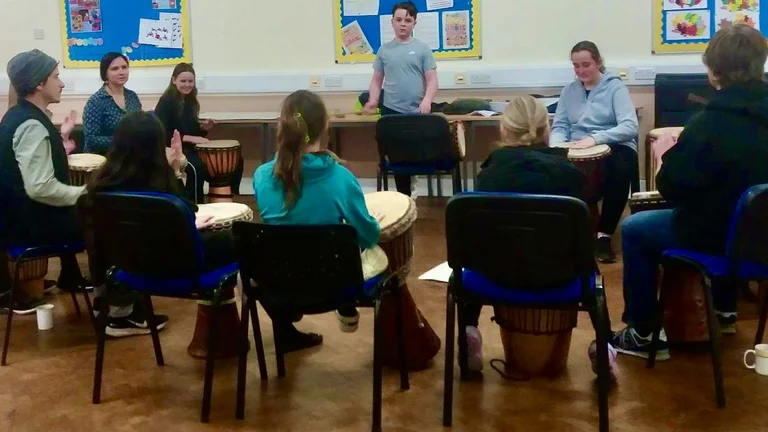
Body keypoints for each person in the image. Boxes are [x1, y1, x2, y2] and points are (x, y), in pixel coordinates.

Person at [612, 25, 768, 360]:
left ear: (714, 72)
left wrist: (675, 151)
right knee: (733, 212)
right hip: (762, 243)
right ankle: (725, 311)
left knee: (635, 228)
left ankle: (642, 331)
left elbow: (671, 186)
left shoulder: (709, 123)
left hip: (717, 239)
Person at [462, 96, 589, 371]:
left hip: (497, 275)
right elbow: (585, 241)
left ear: (504, 131)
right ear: (547, 130)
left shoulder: (488, 176)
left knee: (473, 258)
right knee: (592, 277)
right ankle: (604, 345)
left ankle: (469, 328)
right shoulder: (572, 175)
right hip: (560, 276)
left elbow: (478, 238)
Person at [84, 111, 235, 336]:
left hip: (127, 269)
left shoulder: (98, 189)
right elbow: (187, 209)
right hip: (177, 269)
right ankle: (226, 333)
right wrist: (175, 169)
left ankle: (115, 308)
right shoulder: (159, 184)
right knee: (235, 238)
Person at [254, 90, 380, 353]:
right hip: (333, 287)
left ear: (283, 125)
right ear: (325, 126)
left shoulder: (260, 176)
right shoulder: (341, 178)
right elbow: (368, 238)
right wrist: (374, 224)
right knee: (382, 257)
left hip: (277, 284)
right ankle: (394, 347)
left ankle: (286, 329)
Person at [0, 50, 88, 313]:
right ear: (39, 83)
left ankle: (76, 280)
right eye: (56, 77)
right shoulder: (31, 124)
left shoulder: (17, 116)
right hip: (32, 224)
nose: (61, 83)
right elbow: (40, 187)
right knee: (108, 218)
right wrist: (85, 193)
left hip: (23, 218)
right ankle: (119, 309)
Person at [550, 41, 639, 263]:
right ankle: (569, 230)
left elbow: (630, 126)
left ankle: (604, 235)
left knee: (621, 166)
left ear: (598, 62)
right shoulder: (569, 91)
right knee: (550, 163)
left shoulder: (615, 87)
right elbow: (560, 126)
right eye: (576, 66)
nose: (580, 70)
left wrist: (595, 139)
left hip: (614, 144)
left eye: (586, 64)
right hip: (577, 144)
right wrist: (558, 145)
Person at [362, 1, 438, 197]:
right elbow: (377, 80)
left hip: (417, 112)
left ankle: (415, 185)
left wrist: (427, 101)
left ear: (414, 23)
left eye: (408, 20)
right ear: (392, 22)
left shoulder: (422, 49)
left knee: (414, 155)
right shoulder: (384, 51)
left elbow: (432, 80)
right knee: (397, 158)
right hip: (391, 111)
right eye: (399, 20)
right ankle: (403, 196)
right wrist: (373, 99)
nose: (403, 24)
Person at [154, 63, 243, 203]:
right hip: (171, 147)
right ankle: (195, 205)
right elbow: (163, 133)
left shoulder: (190, 101)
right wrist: (191, 138)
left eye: (190, 81)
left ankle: (229, 196)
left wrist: (203, 128)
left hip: (188, 146)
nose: (187, 85)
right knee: (196, 169)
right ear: (174, 80)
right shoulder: (167, 102)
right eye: (183, 81)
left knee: (238, 159)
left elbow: (192, 129)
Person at [83, 52, 141, 154]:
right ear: (105, 73)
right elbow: (91, 139)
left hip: (130, 155)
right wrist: (122, 141)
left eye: (124, 67)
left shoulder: (132, 96)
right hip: (102, 158)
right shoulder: (96, 101)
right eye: (115, 69)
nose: (121, 72)